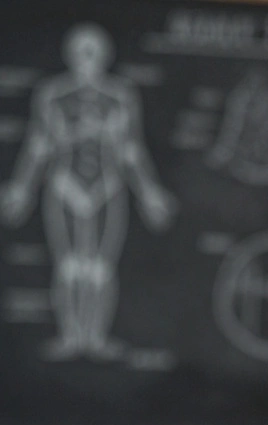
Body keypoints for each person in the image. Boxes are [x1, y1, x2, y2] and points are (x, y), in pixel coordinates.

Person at [0, 23, 177, 362]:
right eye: (81, 52)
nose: (87, 60)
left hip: (108, 188)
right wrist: (21, 188)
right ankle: (70, 336)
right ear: (69, 56)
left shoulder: (121, 96)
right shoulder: (51, 94)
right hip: (64, 186)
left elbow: (130, 149)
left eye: (93, 52)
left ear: (105, 57)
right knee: (68, 266)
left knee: (100, 268)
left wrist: (149, 192)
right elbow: (40, 145)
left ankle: (95, 339)